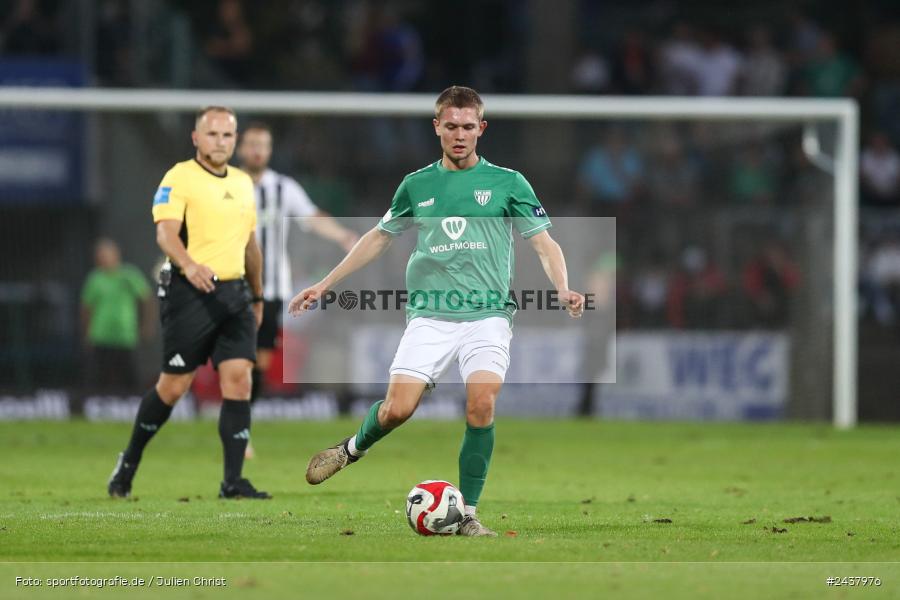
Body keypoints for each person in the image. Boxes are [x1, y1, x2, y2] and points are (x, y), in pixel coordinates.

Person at [288, 86, 585, 536]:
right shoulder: (417, 184)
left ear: (481, 129)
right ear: (437, 128)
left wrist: (562, 286)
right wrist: (325, 284)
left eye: (469, 126)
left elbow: (544, 243)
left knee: (481, 404)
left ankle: (467, 514)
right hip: (430, 314)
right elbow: (379, 236)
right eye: (451, 126)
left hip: (488, 314)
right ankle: (349, 449)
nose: (460, 134)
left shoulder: (508, 182)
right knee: (396, 411)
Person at [107, 106, 269, 500]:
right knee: (174, 387)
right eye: (212, 134)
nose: (220, 142)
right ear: (196, 138)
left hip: (234, 294)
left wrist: (258, 293)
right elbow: (165, 235)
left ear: (235, 141)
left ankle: (232, 482)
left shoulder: (244, 183)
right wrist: (190, 265)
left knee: (239, 379)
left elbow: (250, 245)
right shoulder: (179, 177)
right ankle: (129, 461)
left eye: (227, 136)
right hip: (189, 292)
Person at [237, 122, 358, 458]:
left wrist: (342, 235)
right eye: (252, 144)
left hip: (272, 287)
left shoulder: (282, 187)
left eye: (264, 144)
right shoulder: (225, 185)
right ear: (241, 149)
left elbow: (311, 217)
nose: (258, 150)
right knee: (237, 359)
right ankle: (234, 425)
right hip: (231, 286)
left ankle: (240, 424)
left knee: (259, 363)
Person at [80, 238, 152, 390]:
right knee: (98, 376)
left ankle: (132, 405)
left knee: (129, 375)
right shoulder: (95, 279)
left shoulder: (129, 275)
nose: (103, 259)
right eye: (100, 255)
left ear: (116, 255)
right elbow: (86, 308)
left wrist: (146, 325)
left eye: (106, 254)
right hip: (100, 336)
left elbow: (147, 300)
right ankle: (97, 405)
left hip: (125, 336)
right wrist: (87, 333)